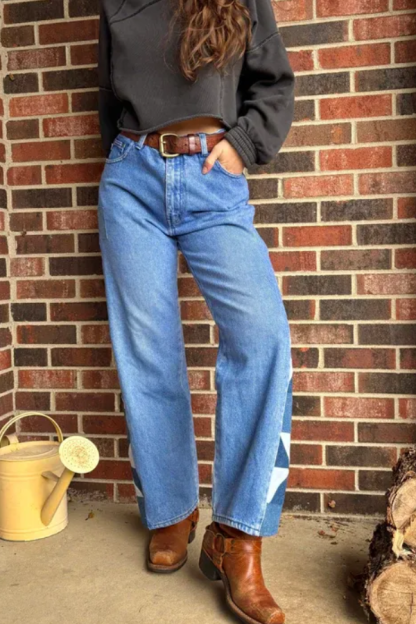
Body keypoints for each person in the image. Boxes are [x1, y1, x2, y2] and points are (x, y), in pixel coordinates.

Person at [97, 0, 295, 622]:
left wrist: (244, 144)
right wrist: (124, 162)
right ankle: (172, 511)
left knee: (262, 339)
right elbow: (107, 99)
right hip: (130, 179)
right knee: (148, 352)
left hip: (213, 176)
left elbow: (274, 82)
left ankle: (236, 536)